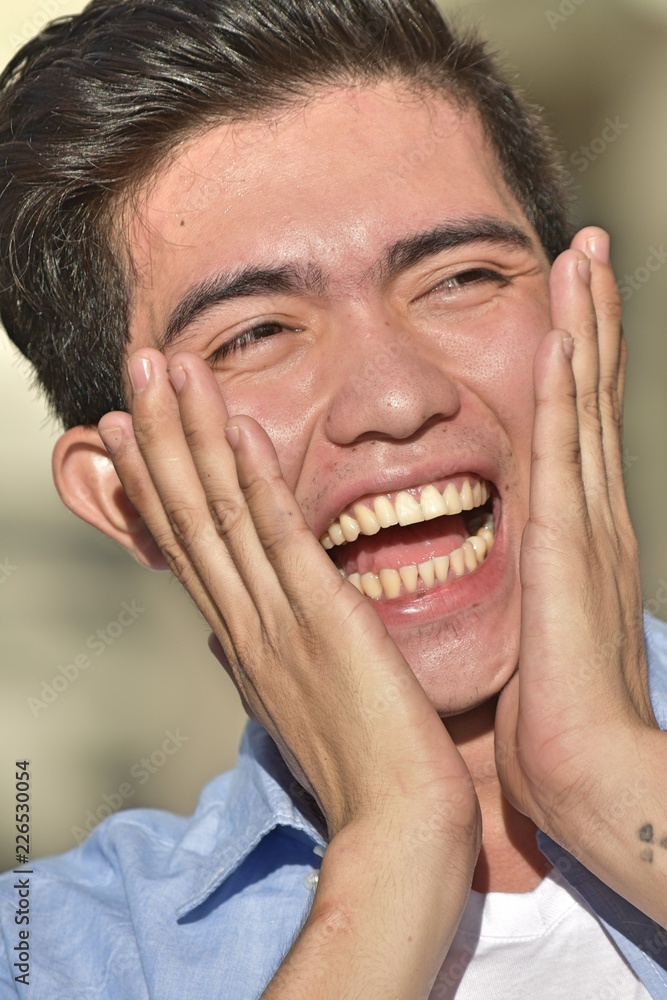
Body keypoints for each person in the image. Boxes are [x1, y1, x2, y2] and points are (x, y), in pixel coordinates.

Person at [0, 0, 666, 996]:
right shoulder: (46, 951)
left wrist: (610, 783)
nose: (396, 399)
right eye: (254, 334)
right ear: (128, 498)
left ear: (588, 313)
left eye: (458, 278)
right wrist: (395, 844)